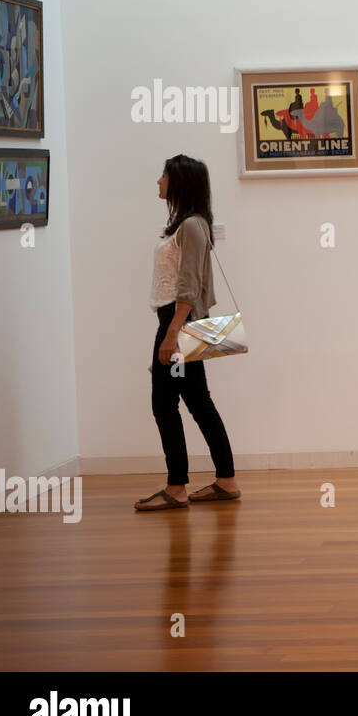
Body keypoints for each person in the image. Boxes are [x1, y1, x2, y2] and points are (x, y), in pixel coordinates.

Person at [134, 154, 241, 510]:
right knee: (196, 401)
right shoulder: (188, 225)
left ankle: (177, 486)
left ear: (179, 181)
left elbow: (189, 285)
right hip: (180, 322)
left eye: (163, 175)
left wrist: (171, 334)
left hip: (178, 323)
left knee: (164, 404)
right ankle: (225, 480)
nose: (158, 181)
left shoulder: (192, 226)